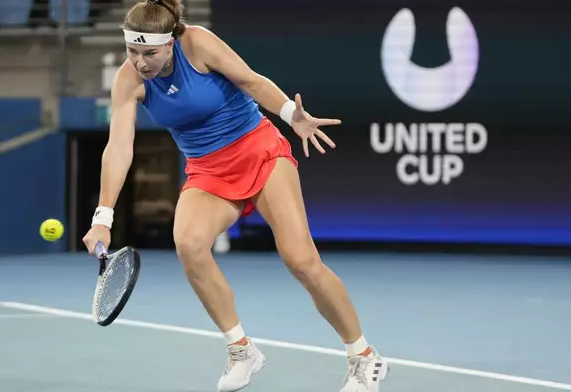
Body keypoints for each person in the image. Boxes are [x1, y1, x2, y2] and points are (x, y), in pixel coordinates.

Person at [82, 1, 390, 391]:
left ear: (171, 44)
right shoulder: (129, 80)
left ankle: (364, 358)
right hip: (208, 171)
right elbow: (119, 147)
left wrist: (289, 114)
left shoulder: (198, 43)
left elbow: (251, 81)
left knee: (301, 260)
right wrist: (103, 217)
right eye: (133, 52)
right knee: (189, 244)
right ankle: (242, 350)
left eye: (150, 53)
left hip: (258, 150)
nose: (140, 62)